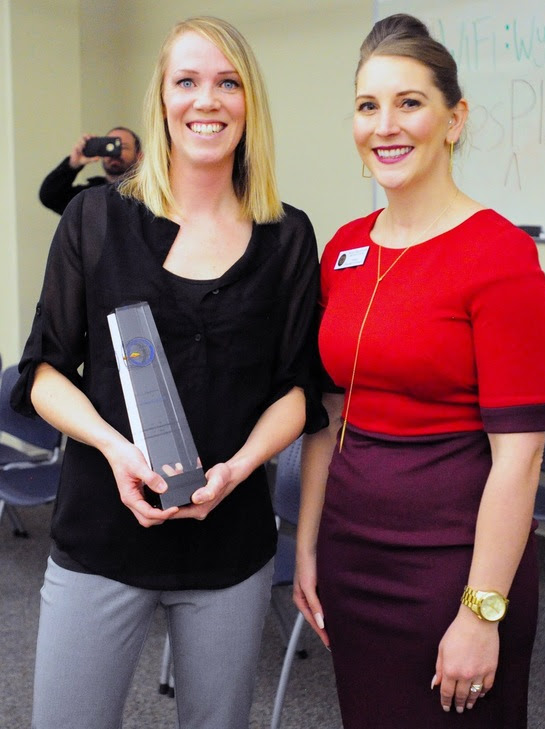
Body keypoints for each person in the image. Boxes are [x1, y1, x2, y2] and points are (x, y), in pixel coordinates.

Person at [12, 16, 322, 729]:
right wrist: (117, 450)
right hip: (101, 535)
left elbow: (299, 391)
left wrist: (238, 469)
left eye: (227, 82)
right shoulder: (95, 219)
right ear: (162, 99)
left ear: (250, 103)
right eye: (186, 81)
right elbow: (44, 373)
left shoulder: (287, 237)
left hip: (229, 545)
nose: (205, 100)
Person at [294, 13, 545, 729]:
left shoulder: (499, 254)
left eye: (409, 102)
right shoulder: (345, 248)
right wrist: (310, 546)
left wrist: (481, 612)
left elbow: (522, 454)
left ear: (454, 118)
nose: (387, 125)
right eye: (368, 105)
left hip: (454, 569)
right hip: (352, 557)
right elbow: (330, 411)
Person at [38, 126, 142, 214]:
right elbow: (49, 197)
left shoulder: (148, 194)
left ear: (139, 156)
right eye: (109, 145)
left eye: (122, 147)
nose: (114, 152)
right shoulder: (89, 197)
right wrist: (72, 164)